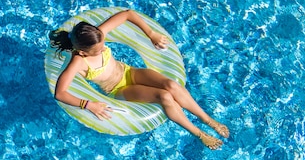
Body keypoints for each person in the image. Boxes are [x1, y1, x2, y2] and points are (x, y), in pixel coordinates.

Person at [49, 9, 229, 149]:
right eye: (97, 50)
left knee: (171, 84)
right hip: (118, 90)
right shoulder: (77, 62)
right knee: (164, 96)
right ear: (82, 51)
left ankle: (208, 120)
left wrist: (151, 34)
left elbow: (128, 14)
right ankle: (199, 134)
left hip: (129, 72)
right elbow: (60, 93)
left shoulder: (98, 36)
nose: (103, 49)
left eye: (103, 44)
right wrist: (88, 105)